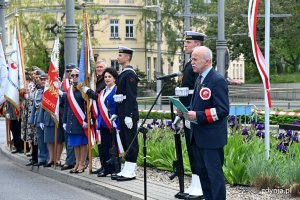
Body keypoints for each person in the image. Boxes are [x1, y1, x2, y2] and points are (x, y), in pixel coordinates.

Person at [186, 46, 229, 200]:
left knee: (214, 176)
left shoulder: (217, 80)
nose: (192, 62)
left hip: (211, 139)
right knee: (203, 175)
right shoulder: (200, 78)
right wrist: (185, 111)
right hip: (198, 137)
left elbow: (223, 110)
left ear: (208, 61)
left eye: (195, 59)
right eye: (192, 58)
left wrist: (197, 115)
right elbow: (200, 104)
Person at [177, 31, 205, 198]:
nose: (185, 45)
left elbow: (196, 90)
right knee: (191, 148)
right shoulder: (189, 64)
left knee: (196, 149)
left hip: (193, 111)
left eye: (189, 42)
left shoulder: (197, 66)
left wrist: (188, 108)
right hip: (187, 110)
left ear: (197, 44)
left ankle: (199, 187)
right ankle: (194, 185)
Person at [82, 67, 120, 177]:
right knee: (104, 147)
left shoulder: (116, 90)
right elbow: (98, 102)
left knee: (113, 147)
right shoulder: (103, 91)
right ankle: (106, 168)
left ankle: (115, 169)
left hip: (112, 122)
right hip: (103, 122)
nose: (107, 79)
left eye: (109, 77)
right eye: (105, 77)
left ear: (114, 79)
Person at [110, 46, 139, 181]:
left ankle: (131, 170)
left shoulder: (130, 74)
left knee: (131, 140)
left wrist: (128, 115)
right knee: (125, 140)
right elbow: (119, 96)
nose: (118, 57)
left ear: (127, 57)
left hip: (129, 113)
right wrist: (117, 112)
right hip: (122, 113)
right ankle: (126, 168)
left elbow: (131, 97)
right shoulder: (123, 73)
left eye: (120, 55)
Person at [63, 68, 88, 173]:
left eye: (76, 75)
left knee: (82, 143)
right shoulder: (69, 89)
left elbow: (88, 106)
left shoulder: (84, 89)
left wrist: (87, 119)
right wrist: (64, 120)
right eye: (72, 75)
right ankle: (77, 163)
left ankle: (82, 164)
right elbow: (66, 106)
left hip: (81, 120)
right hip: (71, 120)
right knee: (75, 143)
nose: (74, 77)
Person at [90, 59, 108, 174]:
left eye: (101, 67)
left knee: (105, 143)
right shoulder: (95, 81)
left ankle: (107, 166)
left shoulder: (105, 81)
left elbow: (100, 96)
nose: (99, 69)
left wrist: (91, 93)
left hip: (104, 115)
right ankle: (103, 165)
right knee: (100, 143)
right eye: (98, 67)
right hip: (96, 115)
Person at [29, 72, 49, 166]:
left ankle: (49, 159)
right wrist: (32, 120)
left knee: (48, 139)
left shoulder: (49, 91)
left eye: (45, 79)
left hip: (47, 118)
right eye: (42, 79)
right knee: (40, 140)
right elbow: (34, 107)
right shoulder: (38, 91)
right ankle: (41, 159)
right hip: (38, 117)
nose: (43, 81)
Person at [60, 64, 76, 171]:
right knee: (68, 140)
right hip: (67, 113)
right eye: (68, 71)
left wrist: (63, 94)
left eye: (72, 71)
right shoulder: (64, 83)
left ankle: (79, 162)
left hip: (77, 114)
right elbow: (62, 102)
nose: (70, 73)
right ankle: (70, 160)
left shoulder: (80, 82)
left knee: (79, 141)